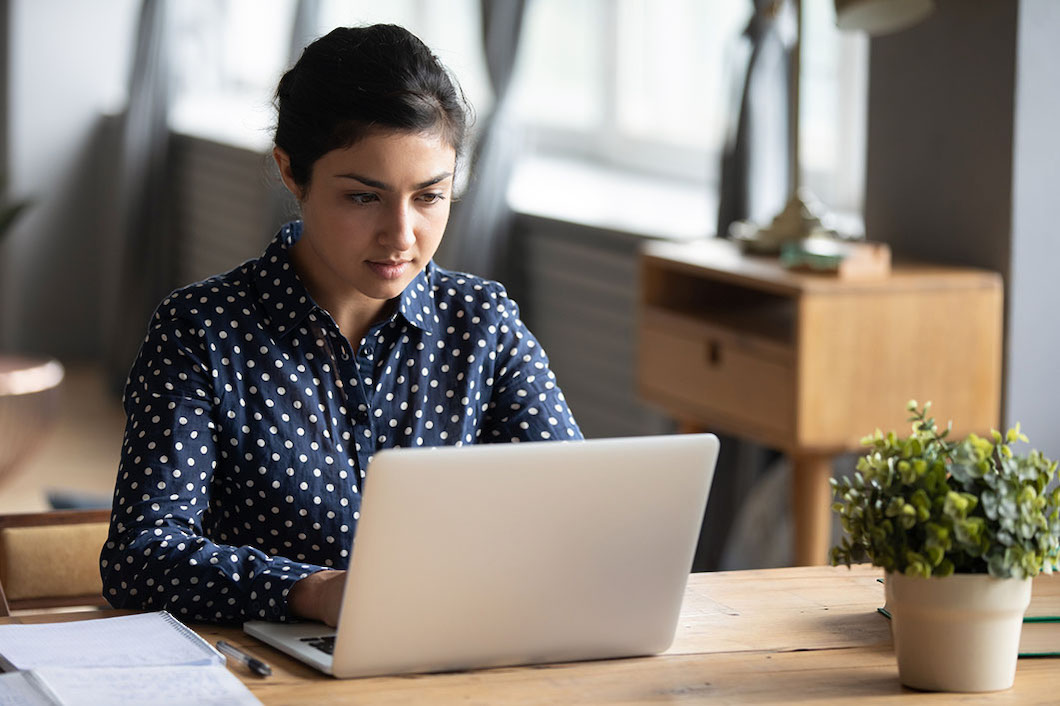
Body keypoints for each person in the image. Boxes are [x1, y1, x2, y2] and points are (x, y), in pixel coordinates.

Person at [100, 24, 582, 626]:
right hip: (271, 669)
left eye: (429, 197)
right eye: (363, 197)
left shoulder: (482, 325)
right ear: (291, 172)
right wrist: (311, 592)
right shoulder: (202, 332)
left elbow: (573, 510)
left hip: (458, 650)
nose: (401, 236)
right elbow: (139, 557)